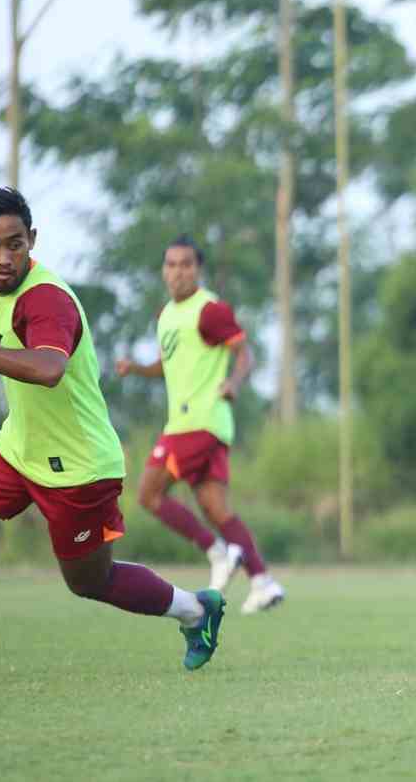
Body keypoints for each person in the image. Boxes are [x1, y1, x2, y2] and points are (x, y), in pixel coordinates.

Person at [0, 188, 223, 671]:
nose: (3, 258)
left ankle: (195, 609)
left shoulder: (46, 301)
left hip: (78, 467)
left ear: (32, 240)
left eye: (15, 244)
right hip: (18, 449)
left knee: (88, 582)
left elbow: (47, 368)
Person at [116, 236, 284, 614]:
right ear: (163, 270)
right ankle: (262, 581)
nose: (178, 271)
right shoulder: (165, 316)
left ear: (198, 269)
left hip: (199, 423)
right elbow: (166, 365)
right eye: (171, 264)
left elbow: (245, 353)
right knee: (216, 509)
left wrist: (234, 383)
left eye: (186, 264)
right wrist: (136, 368)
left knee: (148, 493)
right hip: (192, 425)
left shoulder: (210, 311)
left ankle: (217, 553)